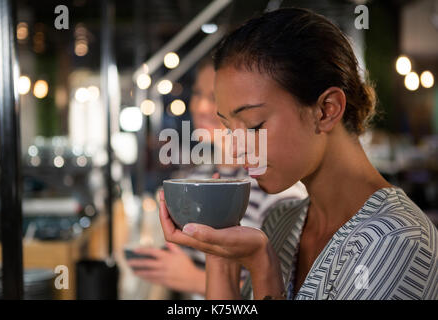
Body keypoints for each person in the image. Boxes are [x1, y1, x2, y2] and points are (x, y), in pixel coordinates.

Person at [157, 8, 438, 300]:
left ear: (326, 110)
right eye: (228, 128)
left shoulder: (397, 241)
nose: (238, 149)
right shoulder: (282, 221)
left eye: (254, 126)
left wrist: (263, 268)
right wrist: (218, 253)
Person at [127, 56, 307, 298]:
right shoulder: (194, 177)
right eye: (198, 94)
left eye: (214, 98)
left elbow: (280, 286)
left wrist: (192, 278)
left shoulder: (274, 185)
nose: (200, 107)